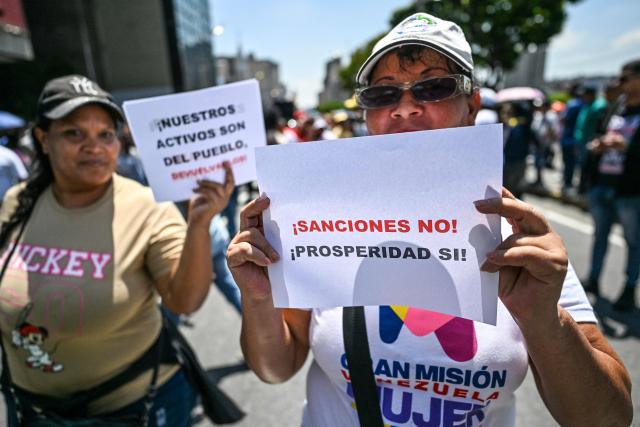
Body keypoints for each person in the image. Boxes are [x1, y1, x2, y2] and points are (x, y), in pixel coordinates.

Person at [227, 13, 632, 426]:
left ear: (472, 106)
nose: (405, 108)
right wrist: (258, 298)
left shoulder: (521, 240)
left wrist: (545, 319)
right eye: (383, 94)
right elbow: (275, 368)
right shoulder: (316, 220)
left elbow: (607, 419)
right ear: (366, 112)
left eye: (433, 87)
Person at [0, 75, 234, 425]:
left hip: (134, 410)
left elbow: (184, 301)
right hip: (31, 409)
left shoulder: (147, 206)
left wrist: (198, 225)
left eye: (105, 134)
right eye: (74, 133)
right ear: (43, 140)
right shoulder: (18, 201)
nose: (94, 146)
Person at [583, 59, 640, 311]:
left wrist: (626, 147)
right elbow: (598, 133)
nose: (619, 83)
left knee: (633, 240)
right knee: (600, 235)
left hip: (629, 188)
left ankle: (629, 288)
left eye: (625, 78)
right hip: (602, 183)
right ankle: (593, 279)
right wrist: (598, 145)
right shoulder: (616, 106)